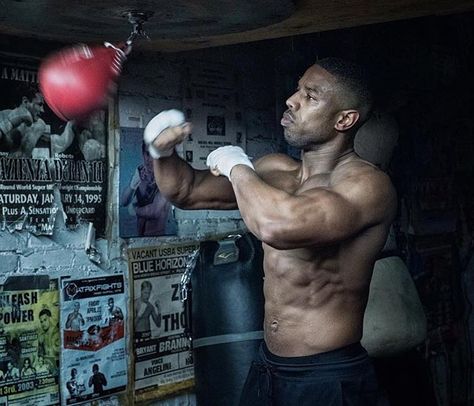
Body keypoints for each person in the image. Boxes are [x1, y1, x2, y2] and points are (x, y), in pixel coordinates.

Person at [144, 57, 397, 405]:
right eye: (297, 89)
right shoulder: (274, 171)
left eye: (310, 96)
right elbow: (185, 190)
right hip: (267, 367)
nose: (292, 100)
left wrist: (237, 167)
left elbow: (278, 225)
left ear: (344, 119)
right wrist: (162, 151)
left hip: (327, 376)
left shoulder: (367, 185)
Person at [0, 90, 75, 158]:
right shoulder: (3, 115)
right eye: (39, 104)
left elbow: (60, 143)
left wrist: (70, 125)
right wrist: (9, 122)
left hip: (25, 171)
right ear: (25, 101)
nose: (42, 110)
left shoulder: (40, 125)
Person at [121, 142, 172, 236]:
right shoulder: (141, 173)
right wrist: (132, 185)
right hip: (140, 236)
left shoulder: (166, 176)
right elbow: (124, 202)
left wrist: (134, 209)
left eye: (154, 155)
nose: (150, 160)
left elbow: (154, 211)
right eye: (147, 154)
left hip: (158, 237)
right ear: (143, 154)